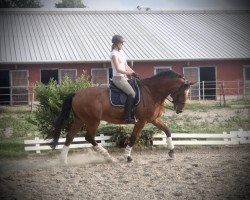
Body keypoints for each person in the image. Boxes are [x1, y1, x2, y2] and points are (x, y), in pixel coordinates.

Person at [110, 34, 139, 123]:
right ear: (116, 44)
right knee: (132, 93)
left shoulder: (121, 53)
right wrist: (130, 73)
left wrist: (135, 73)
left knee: (137, 88)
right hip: (118, 78)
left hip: (124, 77)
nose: (123, 45)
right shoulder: (113, 54)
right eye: (121, 43)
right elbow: (118, 69)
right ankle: (127, 117)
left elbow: (126, 66)